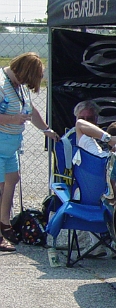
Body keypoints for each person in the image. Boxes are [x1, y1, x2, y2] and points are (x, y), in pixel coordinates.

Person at [0, 53, 60, 251]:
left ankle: (4, 223)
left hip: (11, 145)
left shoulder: (19, 87)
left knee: (12, 180)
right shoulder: (1, 83)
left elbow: (31, 110)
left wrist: (45, 129)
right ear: (24, 72)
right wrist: (11, 119)